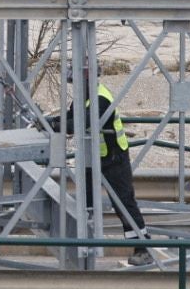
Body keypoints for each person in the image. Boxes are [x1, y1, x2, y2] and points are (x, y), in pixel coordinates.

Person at [63, 81, 154, 266]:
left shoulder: (101, 98)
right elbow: (70, 117)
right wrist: (53, 122)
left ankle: (142, 249)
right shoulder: (83, 98)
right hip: (93, 158)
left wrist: (59, 125)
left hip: (114, 158)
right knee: (85, 203)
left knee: (123, 203)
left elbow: (83, 122)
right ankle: (82, 248)